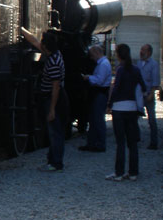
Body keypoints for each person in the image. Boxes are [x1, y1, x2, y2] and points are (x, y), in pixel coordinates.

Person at [20, 27, 69, 172]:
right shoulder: (55, 54)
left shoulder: (54, 62)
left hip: (54, 99)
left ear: (46, 46)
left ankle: (56, 163)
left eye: (43, 43)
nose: (40, 44)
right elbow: (35, 42)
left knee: (55, 131)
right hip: (53, 97)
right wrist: (23, 31)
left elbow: (56, 87)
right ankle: (53, 160)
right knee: (55, 131)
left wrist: (52, 109)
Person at [105, 44, 146, 181]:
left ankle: (119, 172)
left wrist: (109, 104)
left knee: (120, 142)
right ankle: (133, 172)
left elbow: (116, 89)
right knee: (132, 142)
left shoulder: (121, 70)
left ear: (118, 55)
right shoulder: (135, 69)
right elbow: (143, 86)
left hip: (119, 108)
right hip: (132, 108)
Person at [79, 46, 111, 152]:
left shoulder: (103, 64)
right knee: (93, 119)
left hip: (100, 93)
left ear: (97, 53)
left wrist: (88, 77)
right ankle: (92, 143)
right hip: (98, 93)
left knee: (98, 119)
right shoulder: (102, 63)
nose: (92, 58)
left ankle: (100, 144)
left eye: (92, 55)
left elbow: (100, 80)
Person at [138, 44, 161, 149]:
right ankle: (135, 138)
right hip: (139, 94)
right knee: (134, 117)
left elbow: (155, 80)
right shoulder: (139, 63)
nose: (141, 52)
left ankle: (154, 142)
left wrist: (151, 94)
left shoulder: (153, 64)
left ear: (149, 53)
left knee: (151, 119)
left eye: (144, 50)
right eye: (141, 49)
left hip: (148, 94)